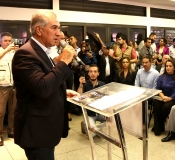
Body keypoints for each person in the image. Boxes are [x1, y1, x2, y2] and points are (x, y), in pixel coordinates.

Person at [12, 10, 78, 159]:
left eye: (59, 28)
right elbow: (42, 88)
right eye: (54, 28)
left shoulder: (43, 51)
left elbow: (44, 79)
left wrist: (62, 92)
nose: (59, 34)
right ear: (39, 30)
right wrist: (64, 61)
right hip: (36, 132)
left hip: (45, 129)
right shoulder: (25, 53)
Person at [152, 59, 175, 136]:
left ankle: (158, 127)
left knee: (165, 107)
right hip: (163, 96)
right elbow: (158, 88)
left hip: (174, 98)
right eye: (166, 66)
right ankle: (159, 126)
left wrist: (170, 98)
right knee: (156, 104)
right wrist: (163, 97)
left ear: (174, 67)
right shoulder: (162, 77)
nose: (168, 68)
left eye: (170, 66)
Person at [0, 32, 18, 146]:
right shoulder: (2, 51)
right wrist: (6, 50)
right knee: (0, 112)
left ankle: (11, 130)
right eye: (5, 40)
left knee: (13, 110)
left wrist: (18, 53)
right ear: (0, 41)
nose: (8, 43)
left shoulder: (13, 53)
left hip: (14, 85)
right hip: (2, 86)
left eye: (9, 41)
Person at [77, 64, 106, 136]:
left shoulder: (102, 85)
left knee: (112, 122)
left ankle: (95, 128)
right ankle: (85, 124)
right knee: (93, 134)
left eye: (95, 71)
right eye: (91, 71)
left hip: (100, 112)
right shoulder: (84, 84)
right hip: (89, 114)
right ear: (88, 73)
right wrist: (80, 85)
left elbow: (106, 99)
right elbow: (78, 98)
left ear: (98, 73)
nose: (93, 74)